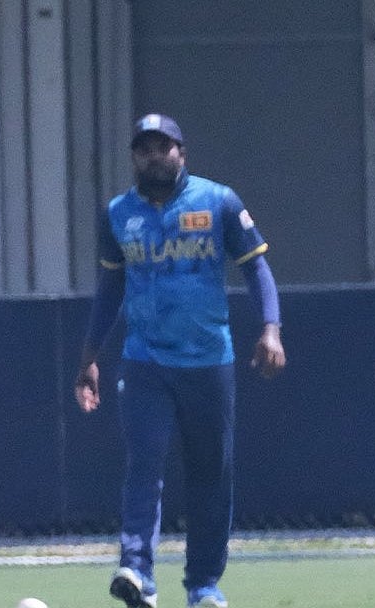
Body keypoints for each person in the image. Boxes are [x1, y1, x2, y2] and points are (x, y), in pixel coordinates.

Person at [74, 114, 286, 608]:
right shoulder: (118, 213)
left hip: (209, 362)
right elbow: (109, 289)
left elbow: (256, 268)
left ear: (181, 153)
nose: (154, 156)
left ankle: (204, 586)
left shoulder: (218, 202)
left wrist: (271, 329)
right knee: (144, 463)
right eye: (144, 148)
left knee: (211, 472)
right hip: (145, 361)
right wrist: (89, 357)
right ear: (134, 158)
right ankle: (138, 573)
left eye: (163, 147)